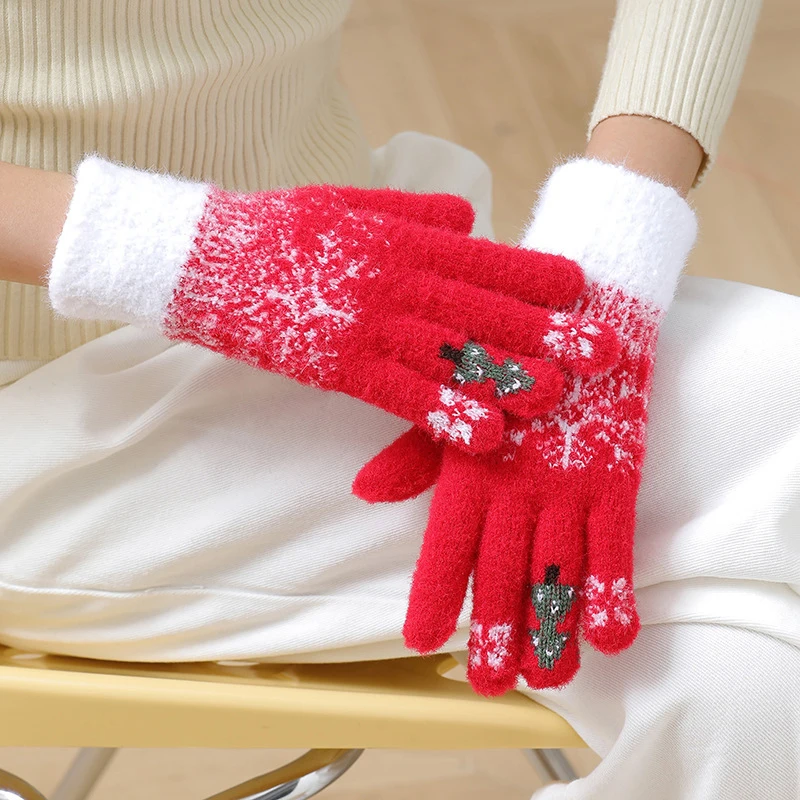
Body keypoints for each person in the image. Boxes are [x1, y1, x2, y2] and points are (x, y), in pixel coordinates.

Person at [0, 0, 797, 798]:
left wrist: (615, 234)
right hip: (37, 405)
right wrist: (171, 253)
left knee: (755, 697)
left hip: (370, 276)